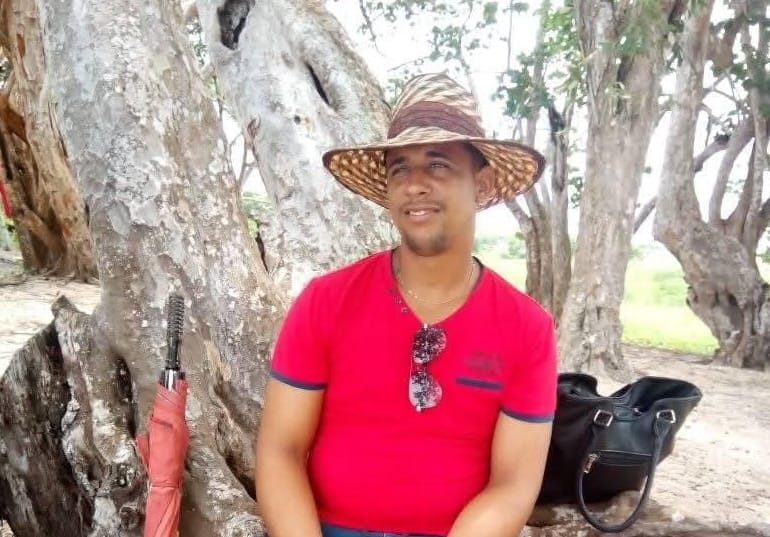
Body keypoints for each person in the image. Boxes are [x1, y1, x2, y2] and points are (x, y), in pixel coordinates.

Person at [255, 73, 557, 537]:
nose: (415, 184)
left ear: (481, 184)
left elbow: (513, 486)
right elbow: (281, 450)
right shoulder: (326, 302)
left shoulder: (527, 327)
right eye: (400, 169)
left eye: (438, 165)